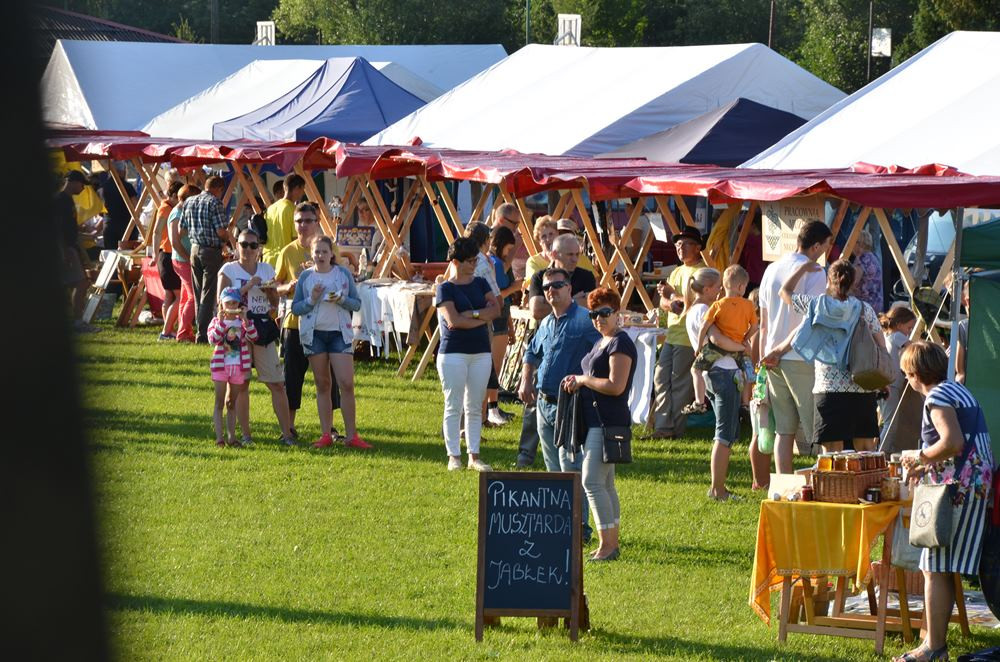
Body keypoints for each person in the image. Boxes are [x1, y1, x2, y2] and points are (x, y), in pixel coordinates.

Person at [895, 342, 993, 662]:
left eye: (906, 374)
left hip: (958, 489)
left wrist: (918, 456)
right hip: (975, 483)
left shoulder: (936, 397)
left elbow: (952, 441)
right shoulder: (958, 390)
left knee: (934, 566)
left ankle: (932, 648)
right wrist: (926, 465)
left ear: (915, 374)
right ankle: (934, 643)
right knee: (942, 566)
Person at [765, 259, 881, 453]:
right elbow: (881, 344)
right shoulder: (864, 309)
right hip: (861, 384)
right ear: (853, 283)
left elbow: (785, 292)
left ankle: (834, 485)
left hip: (828, 387)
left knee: (832, 452)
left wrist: (803, 267)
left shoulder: (816, 305)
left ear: (829, 280)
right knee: (865, 449)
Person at [561, 287, 636, 561]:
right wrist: (576, 380)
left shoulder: (620, 342)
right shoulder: (602, 341)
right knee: (605, 483)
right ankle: (610, 542)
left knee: (592, 480)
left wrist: (582, 380)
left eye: (604, 313)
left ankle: (608, 545)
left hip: (608, 421)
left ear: (617, 314)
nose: (598, 319)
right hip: (597, 420)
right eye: (594, 314)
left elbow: (616, 386)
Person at [758, 220, 831, 471]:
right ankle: (825, 484)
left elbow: (764, 323)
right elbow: (810, 320)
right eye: (826, 245)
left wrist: (765, 356)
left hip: (771, 355)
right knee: (819, 430)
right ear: (817, 245)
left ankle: (784, 484)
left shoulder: (772, 269)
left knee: (784, 430)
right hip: (800, 357)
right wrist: (781, 351)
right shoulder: (816, 271)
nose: (826, 251)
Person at [290, 235, 371, 450]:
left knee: (346, 383)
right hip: (314, 335)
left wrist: (341, 299)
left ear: (331, 254)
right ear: (311, 254)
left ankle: (352, 435)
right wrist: (312, 300)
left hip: (339, 334)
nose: (320, 256)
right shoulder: (306, 277)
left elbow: (356, 304)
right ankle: (326, 433)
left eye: (324, 252)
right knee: (322, 384)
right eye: (316, 252)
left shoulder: (343, 274)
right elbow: (296, 308)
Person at [219, 228, 294, 446]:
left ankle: (287, 435)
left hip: (261, 329)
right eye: (244, 244)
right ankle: (245, 435)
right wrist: (247, 287)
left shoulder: (266, 268)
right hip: (235, 332)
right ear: (237, 246)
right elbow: (220, 303)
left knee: (277, 384)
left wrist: (271, 292)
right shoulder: (228, 270)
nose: (249, 249)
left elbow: (273, 305)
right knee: (240, 385)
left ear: (259, 248)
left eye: (253, 245)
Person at [276, 204, 343, 440]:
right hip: (295, 323)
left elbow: (343, 275)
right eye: (298, 221)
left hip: (325, 323)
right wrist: (288, 287)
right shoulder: (287, 252)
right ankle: (289, 427)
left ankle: (330, 428)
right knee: (292, 376)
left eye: (307, 220)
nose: (303, 225)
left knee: (327, 378)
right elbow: (275, 287)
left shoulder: (329, 247)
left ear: (317, 222)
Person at [434, 237, 500, 471]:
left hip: (480, 351)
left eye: (475, 260)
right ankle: (454, 456)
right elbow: (453, 321)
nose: (473, 265)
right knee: (453, 405)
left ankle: (474, 456)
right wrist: (480, 317)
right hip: (453, 353)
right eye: (469, 261)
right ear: (455, 261)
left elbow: (496, 310)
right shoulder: (445, 287)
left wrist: (470, 316)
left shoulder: (481, 282)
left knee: (474, 405)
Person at [684, 268, 750, 501]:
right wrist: (743, 347)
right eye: (718, 287)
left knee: (726, 431)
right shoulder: (705, 309)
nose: (721, 291)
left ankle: (718, 488)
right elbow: (716, 339)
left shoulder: (693, 310)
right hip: (722, 371)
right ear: (709, 288)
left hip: (713, 374)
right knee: (724, 435)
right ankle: (717, 489)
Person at [651, 226, 706, 439]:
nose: (680, 248)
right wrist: (669, 300)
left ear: (698, 247)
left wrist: (672, 296)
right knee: (661, 378)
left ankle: (675, 428)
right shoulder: (676, 271)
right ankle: (663, 427)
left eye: (685, 244)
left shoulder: (701, 273)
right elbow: (666, 303)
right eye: (677, 244)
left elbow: (695, 304)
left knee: (681, 383)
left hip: (688, 336)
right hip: (673, 333)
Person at [687, 265, 758, 412]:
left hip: (719, 351)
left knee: (695, 370)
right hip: (738, 348)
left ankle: (699, 402)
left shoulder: (717, 306)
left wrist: (699, 347)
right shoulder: (749, 305)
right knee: (749, 373)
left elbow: (704, 328)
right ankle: (745, 403)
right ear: (741, 286)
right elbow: (754, 327)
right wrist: (745, 340)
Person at [180, 176, 235, 344]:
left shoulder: (189, 201)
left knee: (198, 294)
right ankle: (203, 335)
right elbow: (220, 232)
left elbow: (181, 230)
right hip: (211, 251)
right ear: (219, 189)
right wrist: (230, 239)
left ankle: (201, 331)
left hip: (194, 249)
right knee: (208, 294)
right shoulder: (215, 203)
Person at [208, 287, 258, 448]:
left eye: (234, 302)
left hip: (238, 367)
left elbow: (254, 336)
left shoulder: (242, 322)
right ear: (222, 304)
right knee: (219, 402)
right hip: (221, 367)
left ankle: (231, 437)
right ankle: (219, 438)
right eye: (228, 302)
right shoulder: (216, 321)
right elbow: (213, 339)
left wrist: (246, 321)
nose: (231, 306)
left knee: (232, 402)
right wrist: (222, 322)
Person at [487, 225, 522, 425]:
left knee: (494, 368)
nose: (510, 252)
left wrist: (510, 327)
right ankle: (491, 409)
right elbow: (499, 295)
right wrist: (516, 287)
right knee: (494, 368)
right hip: (497, 317)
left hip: (501, 316)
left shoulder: (493, 262)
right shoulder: (496, 264)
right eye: (510, 248)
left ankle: (492, 408)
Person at [55, 170, 95, 332]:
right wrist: (64, 251)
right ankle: (77, 322)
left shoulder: (67, 200)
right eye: (82, 184)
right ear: (71, 181)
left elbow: (68, 226)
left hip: (69, 246)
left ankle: (76, 320)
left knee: (77, 283)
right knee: (81, 283)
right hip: (64, 247)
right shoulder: (60, 200)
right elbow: (56, 228)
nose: (83, 188)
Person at [527, 234, 596, 320]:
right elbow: (537, 311)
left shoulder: (586, 276)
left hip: (579, 331)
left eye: (577, 254)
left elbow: (592, 306)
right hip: (549, 331)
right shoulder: (539, 277)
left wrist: (553, 303)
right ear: (555, 254)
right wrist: (574, 301)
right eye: (570, 255)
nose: (574, 259)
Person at [167, 185, 201, 343]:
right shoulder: (176, 214)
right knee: (193, 297)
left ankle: (185, 331)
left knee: (186, 297)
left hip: (184, 259)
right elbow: (175, 241)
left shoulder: (183, 212)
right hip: (182, 260)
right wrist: (188, 258)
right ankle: (182, 333)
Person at [154, 181, 184, 341]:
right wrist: (153, 253)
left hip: (164, 255)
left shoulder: (167, 207)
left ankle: (169, 329)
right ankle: (166, 331)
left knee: (169, 296)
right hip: (167, 254)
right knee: (179, 297)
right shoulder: (166, 208)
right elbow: (156, 231)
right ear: (173, 195)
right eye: (178, 197)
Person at [880, 305, 917, 432]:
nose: (909, 332)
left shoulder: (886, 335)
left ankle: (880, 448)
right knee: (891, 423)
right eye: (909, 328)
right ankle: (884, 451)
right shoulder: (898, 336)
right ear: (900, 325)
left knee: (885, 420)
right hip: (892, 384)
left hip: (884, 382)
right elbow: (914, 350)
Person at [262, 175, 303, 267]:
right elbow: (296, 239)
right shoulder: (293, 210)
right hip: (284, 261)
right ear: (297, 188)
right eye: (302, 189)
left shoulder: (270, 208)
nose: (303, 193)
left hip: (267, 259)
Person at [100, 164, 137, 250]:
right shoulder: (127, 186)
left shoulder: (103, 188)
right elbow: (136, 206)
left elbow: (100, 210)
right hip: (127, 226)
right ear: (122, 171)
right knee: (128, 255)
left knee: (110, 255)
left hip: (109, 226)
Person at [854, 228, 884, 313]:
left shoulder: (862, 259)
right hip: (877, 303)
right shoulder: (872, 257)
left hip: (865, 304)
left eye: (853, 242)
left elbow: (854, 282)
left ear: (859, 244)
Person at [523, 215, 558, 281]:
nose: (548, 239)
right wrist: (553, 262)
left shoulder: (568, 256)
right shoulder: (533, 262)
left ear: (557, 234)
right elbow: (536, 284)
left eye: (551, 234)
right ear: (539, 241)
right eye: (543, 236)